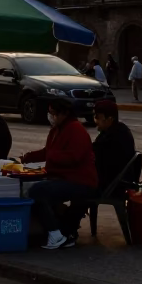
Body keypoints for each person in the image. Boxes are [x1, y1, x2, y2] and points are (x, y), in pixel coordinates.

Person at [20, 98, 97, 250]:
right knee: (29, 187)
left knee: (37, 191)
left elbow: (73, 157)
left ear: (64, 114)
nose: (51, 117)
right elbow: (47, 151)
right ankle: (61, 230)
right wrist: (27, 157)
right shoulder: (56, 130)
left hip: (80, 181)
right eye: (50, 113)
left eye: (53, 114)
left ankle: (55, 234)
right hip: (64, 178)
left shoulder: (76, 130)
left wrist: (51, 158)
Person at [63, 100, 138, 242]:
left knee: (79, 189)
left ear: (110, 119)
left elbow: (96, 158)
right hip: (113, 181)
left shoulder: (114, 137)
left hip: (112, 185)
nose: (95, 121)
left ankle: (67, 229)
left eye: (98, 117)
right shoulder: (114, 131)